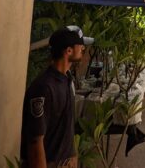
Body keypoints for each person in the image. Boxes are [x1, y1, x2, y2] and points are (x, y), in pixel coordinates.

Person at [21, 26, 93, 168]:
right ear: (68, 51)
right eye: (80, 46)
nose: (83, 49)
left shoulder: (67, 79)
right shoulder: (44, 88)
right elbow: (35, 140)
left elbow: (66, 126)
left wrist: (73, 156)